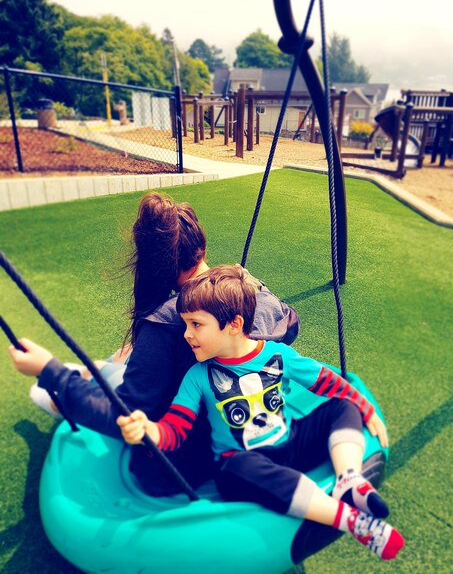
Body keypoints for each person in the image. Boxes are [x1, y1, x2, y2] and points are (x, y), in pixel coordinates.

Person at [9, 192, 299, 496]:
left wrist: (48, 369)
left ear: (154, 263)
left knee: (113, 369)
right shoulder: (257, 297)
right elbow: (290, 324)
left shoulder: (165, 324)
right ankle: (92, 370)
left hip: (184, 461)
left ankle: (65, 388)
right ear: (202, 247)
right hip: (242, 430)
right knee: (121, 358)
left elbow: (125, 412)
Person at [117, 265, 405, 561]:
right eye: (186, 324)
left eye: (196, 325)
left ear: (233, 324)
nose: (187, 334)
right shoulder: (198, 376)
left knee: (342, 407)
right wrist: (149, 431)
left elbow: (327, 382)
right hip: (245, 463)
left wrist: (364, 407)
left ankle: (349, 480)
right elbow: (175, 428)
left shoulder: (277, 356)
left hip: (288, 443)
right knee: (233, 471)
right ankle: (351, 519)